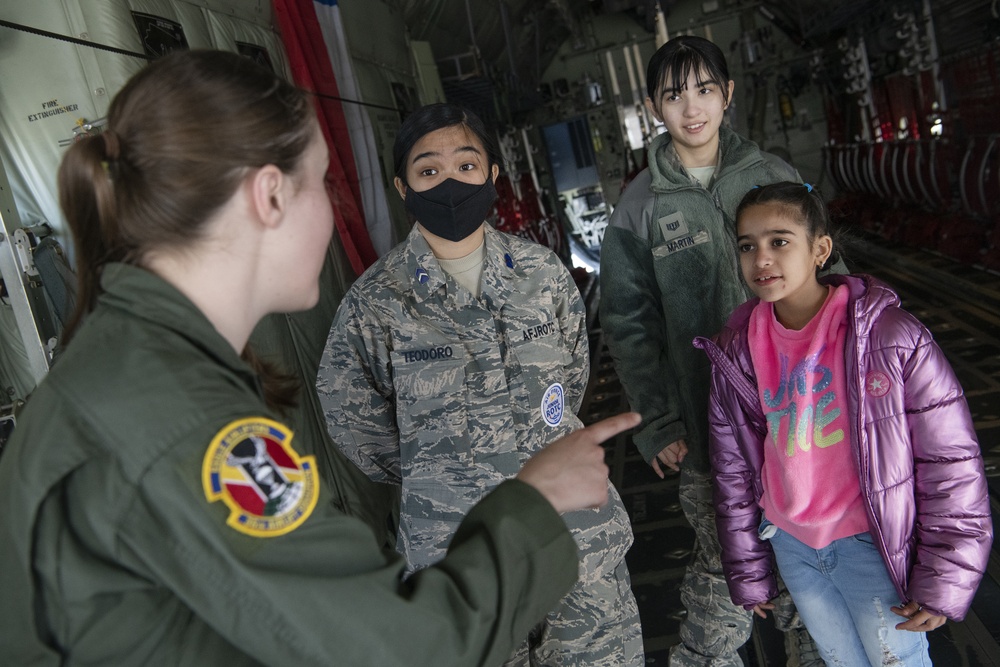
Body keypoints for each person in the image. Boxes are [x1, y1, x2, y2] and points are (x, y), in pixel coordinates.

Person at [0, 49, 644, 666]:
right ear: (270, 196)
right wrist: (534, 497)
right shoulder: (180, 418)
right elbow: (399, 647)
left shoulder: (139, 369)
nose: (332, 213)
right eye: (321, 183)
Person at [315, 102, 643, 667]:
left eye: (466, 166)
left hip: (577, 545)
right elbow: (355, 424)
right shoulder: (374, 304)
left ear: (493, 173)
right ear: (402, 186)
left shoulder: (542, 273)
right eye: (428, 170)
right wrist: (441, 472)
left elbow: (568, 377)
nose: (449, 182)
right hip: (460, 561)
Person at [694, 182, 993, 666]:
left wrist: (944, 576)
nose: (762, 258)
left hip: (869, 544)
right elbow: (732, 469)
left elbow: (950, 460)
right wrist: (748, 567)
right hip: (793, 547)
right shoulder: (737, 351)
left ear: (821, 250)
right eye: (748, 245)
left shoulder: (890, 337)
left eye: (780, 241)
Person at [599, 35, 822, 665]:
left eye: (704, 89)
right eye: (674, 95)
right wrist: (659, 421)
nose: (691, 108)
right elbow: (628, 321)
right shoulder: (641, 205)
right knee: (727, 568)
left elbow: (826, 289)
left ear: (727, 94)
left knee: (811, 562)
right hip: (705, 426)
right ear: (653, 107)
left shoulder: (773, 176)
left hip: (801, 418)